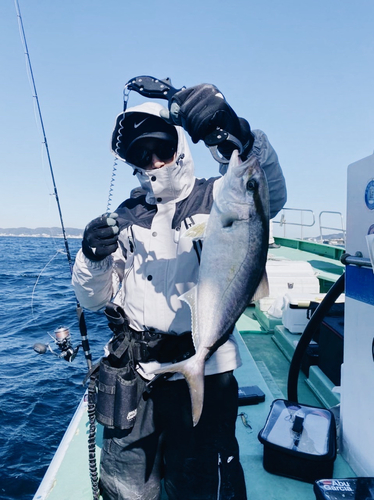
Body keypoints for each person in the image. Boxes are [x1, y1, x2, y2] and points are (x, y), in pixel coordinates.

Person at [72, 82, 287, 500]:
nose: (153, 161)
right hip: (137, 375)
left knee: (202, 484)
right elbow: (91, 299)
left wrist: (238, 135)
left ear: (180, 146)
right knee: (126, 489)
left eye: (161, 148)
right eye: (141, 155)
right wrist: (92, 258)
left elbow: (268, 193)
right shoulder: (126, 216)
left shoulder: (217, 194)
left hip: (205, 368)